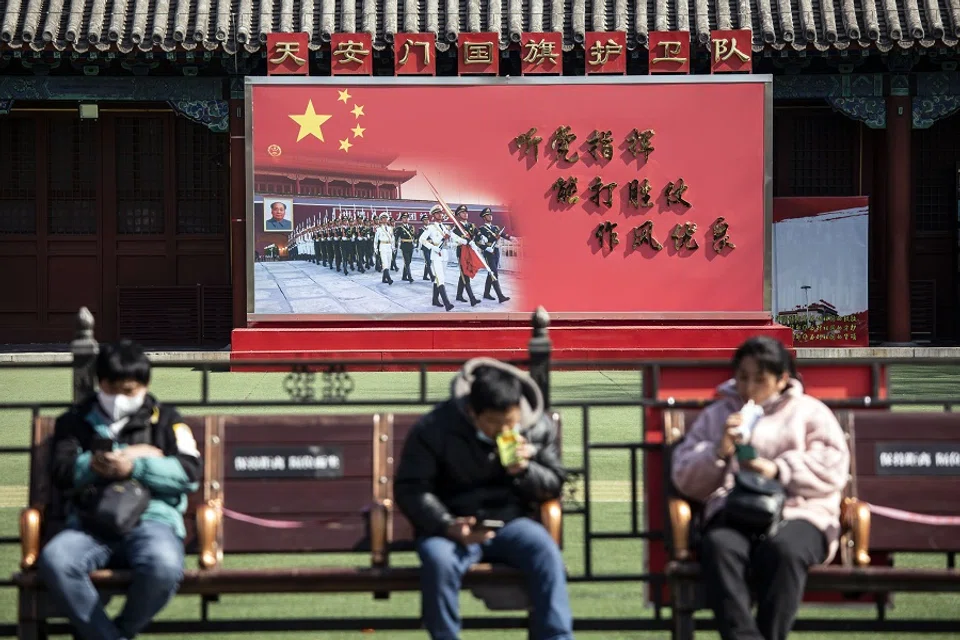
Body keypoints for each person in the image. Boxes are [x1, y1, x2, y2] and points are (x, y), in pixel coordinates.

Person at [670, 336, 849, 640]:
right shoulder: (719, 415)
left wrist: (781, 468)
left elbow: (833, 468)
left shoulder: (810, 412)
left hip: (802, 511)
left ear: (782, 379)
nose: (749, 388)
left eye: (760, 379)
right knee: (719, 547)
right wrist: (718, 450)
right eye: (742, 378)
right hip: (735, 509)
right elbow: (684, 477)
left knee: (784, 550)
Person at [395, 359, 573, 640]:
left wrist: (526, 471)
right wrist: (446, 524)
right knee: (438, 560)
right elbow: (411, 489)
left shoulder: (533, 426)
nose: (503, 430)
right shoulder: (435, 428)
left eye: (510, 422)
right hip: (453, 525)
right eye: (493, 423)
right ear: (472, 412)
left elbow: (554, 483)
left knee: (545, 551)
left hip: (511, 523)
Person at [38, 340, 202, 640]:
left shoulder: (168, 420)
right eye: (112, 390)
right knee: (56, 560)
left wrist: (135, 467)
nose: (119, 398)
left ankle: (116, 633)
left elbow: (189, 473)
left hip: (153, 522)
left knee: (163, 567)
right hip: (91, 523)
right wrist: (105, 461)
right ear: (100, 383)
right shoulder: (74, 421)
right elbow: (62, 471)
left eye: (129, 391)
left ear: (145, 385)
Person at [418, 205, 467, 312]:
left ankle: (435, 299)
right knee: (440, 278)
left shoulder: (445, 227)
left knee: (438, 278)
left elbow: (454, 237)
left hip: (444, 254)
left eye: (441, 213)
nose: (440, 215)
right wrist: (433, 247)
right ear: (434, 215)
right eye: (438, 213)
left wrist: (466, 241)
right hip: (436, 255)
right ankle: (447, 303)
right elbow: (422, 240)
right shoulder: (430, 227)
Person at [475, 207, 512, 303]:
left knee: (491, 273)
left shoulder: (496, 228)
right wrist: (485, 248)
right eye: (488, 215)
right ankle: (500, 296)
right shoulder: (482, 229)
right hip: (488, 252)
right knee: (494, 273)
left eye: (490, 215)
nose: (490, 216)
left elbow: (503, 234)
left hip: (496, 251)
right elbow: (477, 242)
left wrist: (511, 238)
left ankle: (486, 293)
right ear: (484, 217)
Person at [452, 205, 480, 306]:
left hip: (470, 252)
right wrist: (468, 241)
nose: (465, 214)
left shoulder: (471, 225)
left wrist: (481, 239)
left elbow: (478, 234)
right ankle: (472, 298)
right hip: (462, 253)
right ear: (458, 215)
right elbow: (457, 240)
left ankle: (459, 295)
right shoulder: (457, 227)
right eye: (463, 213)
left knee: (463, 275)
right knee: (465, 274)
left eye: (466, 212)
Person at [395, 212, 417, 283]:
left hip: (411, 246)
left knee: (409, 261)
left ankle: (404, 276)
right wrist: (395, 247)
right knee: (406, 261)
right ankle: (409, 277)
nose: (406, 219)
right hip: (404, 246)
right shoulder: (399, 228)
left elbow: (414, 236)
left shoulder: (411, 227)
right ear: (402, 219)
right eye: (404, 218)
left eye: (407, 218)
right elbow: (396, 238)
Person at [374, 213, 395, 285]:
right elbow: (376, 240)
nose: (385, 219)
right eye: (383, 218)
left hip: (389, 246)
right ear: (381, 220)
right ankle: (389, 279)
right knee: (385, 263)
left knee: (388, 263)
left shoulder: (390, 228)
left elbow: (393, 238)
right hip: (382, 246)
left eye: (386, 218)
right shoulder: (379, 229)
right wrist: (375, 249)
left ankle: (384, 278)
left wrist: (393, 247)